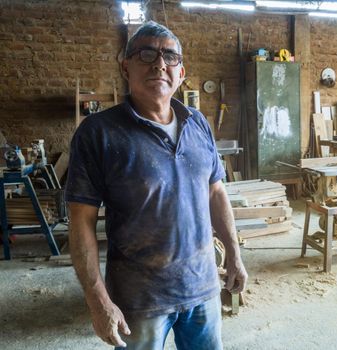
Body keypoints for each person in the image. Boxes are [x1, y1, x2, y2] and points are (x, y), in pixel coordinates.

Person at [66, 21, 247, 350]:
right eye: (146, 53)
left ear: (180, 72)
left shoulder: (198, 124)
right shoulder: (99, 134)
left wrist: (234, 255)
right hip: (140, 299)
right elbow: (81, 222)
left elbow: (216, 193)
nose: (159, 64)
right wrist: (98, 302)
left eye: (170, 56)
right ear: (126, 66)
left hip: (202, 288)